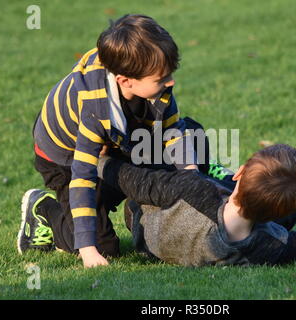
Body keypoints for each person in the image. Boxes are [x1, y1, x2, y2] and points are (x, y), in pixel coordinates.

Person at [17, 14, 214, 268]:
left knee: (193, 138)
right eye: (162, 79)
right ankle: (44, 211)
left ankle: (131, 200)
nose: (171, 82)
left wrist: (191, 179)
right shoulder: (94, 106)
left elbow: (173, 130)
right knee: (103, 247)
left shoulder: (152, 82)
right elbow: (82, 178)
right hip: (65, 162)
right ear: (125, 80)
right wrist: (88, 252)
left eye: (170, 74)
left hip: (114, 143)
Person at [97, 139, 296, 266]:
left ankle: (216, 174)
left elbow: (132, 180)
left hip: (141, 222)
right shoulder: (271, 245)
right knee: (286, 219)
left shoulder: (192, 189)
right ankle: (216, 175)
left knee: (189, 134)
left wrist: (100, 158)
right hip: (174, 233)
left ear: (240, 171)